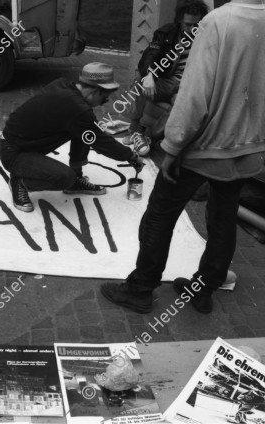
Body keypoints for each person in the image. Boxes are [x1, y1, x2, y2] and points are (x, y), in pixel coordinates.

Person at [100, 0, 265, 314]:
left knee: (159, 215)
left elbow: (194, 92)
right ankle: (203, 289)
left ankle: (140, 288)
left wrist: (174, 146)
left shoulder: (219, 21)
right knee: (223, 219)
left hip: (204, 145)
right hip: (247, 146)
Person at [0, 62, 144, 213]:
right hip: (14, 153)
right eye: (105, 98)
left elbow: (91, 132)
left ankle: (77, 179)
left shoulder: (64, 85)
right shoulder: (76, 108)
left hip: (25, 143)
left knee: (85, 129)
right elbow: (102, 143)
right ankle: (20, 182)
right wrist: (131, 156)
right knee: (65, 178)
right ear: (94, 91)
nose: (105, 102)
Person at [124, 0, 209, 156]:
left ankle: (149, 137)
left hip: (189, 86)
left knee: (181, 104)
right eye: (187, 24)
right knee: (139, 82)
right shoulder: (167, 32)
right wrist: (149, 75)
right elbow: (150, 54)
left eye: (195, 25)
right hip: (168, 81)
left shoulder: (208, 36)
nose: (191, 29)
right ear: (179, 20)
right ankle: (134, 128)